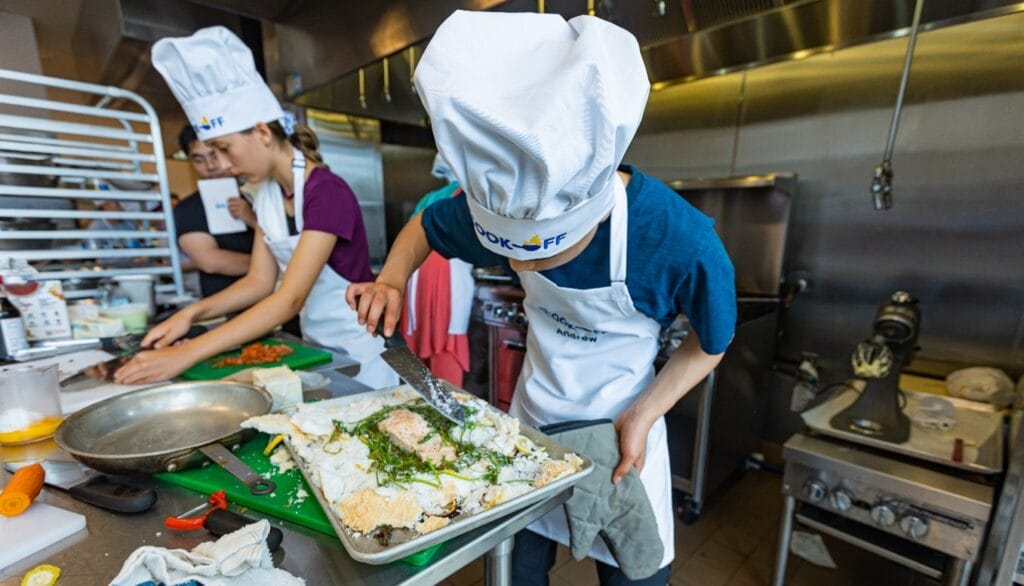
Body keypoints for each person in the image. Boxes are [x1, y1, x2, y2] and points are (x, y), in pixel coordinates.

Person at [347, 11, 736, 585]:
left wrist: (645, 413)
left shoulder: (678, 239)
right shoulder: (498, 192)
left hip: (623, 435)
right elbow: (427, 226)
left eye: (542, 253)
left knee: (635, 574)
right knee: (514, 573)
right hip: (527, 430)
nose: (523, 267)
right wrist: (392, 280)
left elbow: (713, 341)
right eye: (509, 251)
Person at [115, 26, 397, 389]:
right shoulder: (265, 195)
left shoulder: (326, 192)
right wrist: (192, 314)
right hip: (318, 350)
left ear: (262, 133)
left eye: (224, 148)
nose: (223, 164)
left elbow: (288, 299)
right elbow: (259, 282)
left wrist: (185, 354)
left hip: (360, 354)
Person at [399, 153, 474, 387]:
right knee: (446, 347)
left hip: (415, 278)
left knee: (419, 362)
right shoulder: (466, 197)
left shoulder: (427, 198)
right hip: (448, 277)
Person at [172, 124, 256, 298]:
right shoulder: (187, 209)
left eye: (214, 155)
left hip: (278, 299)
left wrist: (253, 220)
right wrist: (280, 265)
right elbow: (210, 262)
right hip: (225, 304)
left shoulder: (259, 194)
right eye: (198, 159)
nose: (210, 166)